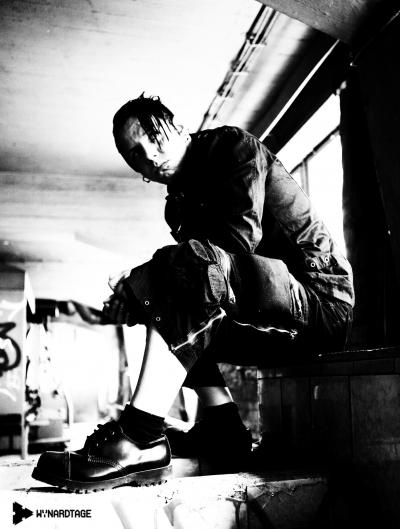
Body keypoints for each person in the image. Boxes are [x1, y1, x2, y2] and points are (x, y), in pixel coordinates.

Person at [32, 95, 354, 492]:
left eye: (153, 136)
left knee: (181, 268)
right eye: (135, 154)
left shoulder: (234, 149)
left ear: (181, 127)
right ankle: (223, 427)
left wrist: (144, 278)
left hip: (321, 304)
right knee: (163, 296)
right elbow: (202, 292)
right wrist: (138, 300)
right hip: (274, 322)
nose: (149, 155)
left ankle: (138, 437)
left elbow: (233, 245)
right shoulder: (177, 208)